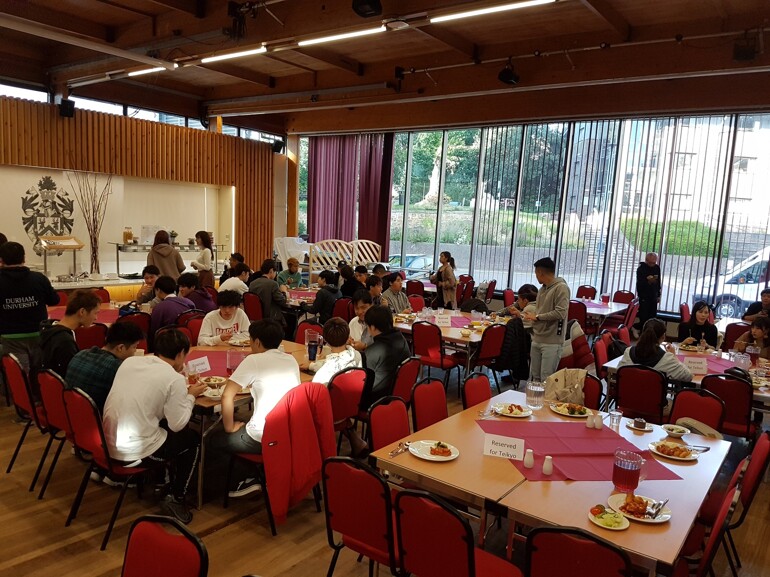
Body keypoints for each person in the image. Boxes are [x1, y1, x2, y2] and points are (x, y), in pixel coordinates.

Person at [103, 329, 207, 523]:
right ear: (179, 355)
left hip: (107, 442)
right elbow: (178, 425)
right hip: (134, 452)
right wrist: (191, 395)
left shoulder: (130, 362)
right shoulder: (174, 379)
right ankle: (176, 497)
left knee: (160, 422)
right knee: (192, 440)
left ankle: (161, 479)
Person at [210, 319, 301, 498]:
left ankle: (244, 480)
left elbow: (227, 395)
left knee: (214, 439)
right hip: (289, 431)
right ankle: (258, 473)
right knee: (241, 424)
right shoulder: (290, 359)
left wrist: (229, 427)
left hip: (263, 436)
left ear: (257, 342)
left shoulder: (254, 360)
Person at [0, 241, 59, 374]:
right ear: (24, 258)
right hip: (38, 333)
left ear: (1, 260)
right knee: (40, 376)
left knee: (19, 378)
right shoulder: (39, 279)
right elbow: (54, 300)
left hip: (10, 336)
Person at [65, 322, 144, 412]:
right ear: (120, 348)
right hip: (97, 419)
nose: (135, 351)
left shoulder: (80, 354)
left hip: (70, 414)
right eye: (134, 347)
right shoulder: (117, 367)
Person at [523, 257, 570, 382]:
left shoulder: (561, 288)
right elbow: (539, 311)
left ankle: (544, 402)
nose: (536, 277)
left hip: (552, 341)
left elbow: (560, 313)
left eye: (536, 273)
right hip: (537, 337)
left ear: (540, 272)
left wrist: (538, 317)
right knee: (534, 378)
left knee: (546, 379)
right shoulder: (542, 289)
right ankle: (534, 401)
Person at [39, 289, 101, 379]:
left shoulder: (49, 327)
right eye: (95, 313)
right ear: (82, 312)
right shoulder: (65, 341)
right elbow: (71, 374)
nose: (96, 318)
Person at [618, 318, 693, 382]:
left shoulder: (628, 352)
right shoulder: (667, 358)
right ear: (663, 337)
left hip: (628, 397)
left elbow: (618, 371)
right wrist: (674, 357)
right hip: (654, 398)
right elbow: (688, 376)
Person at [363, 305, 410, 404]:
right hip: (400, 396)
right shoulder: (402, 339)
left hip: (378, 401)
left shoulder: (373, 351)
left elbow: (365, 383)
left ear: (372, 327)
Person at [300, 317, 362, 384]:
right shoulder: (358, 356)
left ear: (325, 339)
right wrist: (311, 366)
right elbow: (338, 364)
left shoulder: (322, 374)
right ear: (348, 337)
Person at [248, 259, 289, 325]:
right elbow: (282, 301)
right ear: (271, 270)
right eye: (275, 272)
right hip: (271, 318)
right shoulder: (273, 284)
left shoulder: (252, 283)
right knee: (290, 318)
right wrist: (284, 292)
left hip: (255, 318)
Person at [636, 252, 661, 330]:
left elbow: (658, 282)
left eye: (654, 262)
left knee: (653, 317)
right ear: (646, 261)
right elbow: (640, 283)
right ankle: (638, 330)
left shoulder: (657, 268)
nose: (652, 264)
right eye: (650, 263)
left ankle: (650, 334)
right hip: (644, 296)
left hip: (654, 296)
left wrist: (658, 295)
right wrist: (648, 281)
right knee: (644, 317)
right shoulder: (641, 268)